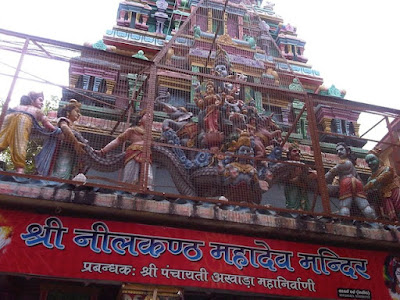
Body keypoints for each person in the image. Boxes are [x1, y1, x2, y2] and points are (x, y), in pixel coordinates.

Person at [0, 92, 57, 173]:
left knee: (1, 139)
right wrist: (56, 130)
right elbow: (47, 124)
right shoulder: (37, 110)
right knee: (19, 143)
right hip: (23, 120)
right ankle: (19, 169)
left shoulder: (16, 107)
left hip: (8, 117)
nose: (42, 103)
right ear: (32, 100)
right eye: (40, 100)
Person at [98, 111, 153, 192]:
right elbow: (118, 140)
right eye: (147, 116)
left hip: (146, 155)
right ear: (140, 119)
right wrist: (103, 150)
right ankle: (127, 188)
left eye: (151, 118)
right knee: (130, 173)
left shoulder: (149, 135)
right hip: (133, 153)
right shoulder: (132, 130)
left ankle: (146, 188)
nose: (150, 118)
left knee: (147, 174)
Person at [35, 99, 86, 180]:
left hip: (70, 153)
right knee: (60, 171)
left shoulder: (74, 127)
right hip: (62, 150)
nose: (79, 114)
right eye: (76, 111)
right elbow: (64, 128)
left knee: (67, 170)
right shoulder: (64, 120)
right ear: (68, 113)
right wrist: (76, 144)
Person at [325, 142, 377, 219]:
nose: (339, 152)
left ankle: (345, 220)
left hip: (346, 183)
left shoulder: (343, 163)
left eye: (341, 149)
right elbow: (358, 177)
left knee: (345, 205)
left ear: (347, 151)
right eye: (337, 151)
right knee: (364, 205)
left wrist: (322, 179)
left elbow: (330, 174)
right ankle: (373, 219)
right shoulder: (352, 164)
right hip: (357, 183)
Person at [364, 150, 400, 222]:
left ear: (378, 159)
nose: (370, 163)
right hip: (383, 197)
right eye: (367, 162)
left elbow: (384, 176)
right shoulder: (370, 178)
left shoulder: (387, 169)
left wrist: (372, 183)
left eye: (372, 160)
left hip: (394, 192)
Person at [282, 144, 317, 211]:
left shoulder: (303, 166)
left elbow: (312, 174)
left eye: (298, 151)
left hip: (302, 191)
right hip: (292, 190)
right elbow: (285, 179)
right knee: (293, 209)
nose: (297, 153)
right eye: (294, 151)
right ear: (289, 155)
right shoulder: (285, 165)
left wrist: (312, 174)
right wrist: (297, 177)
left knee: (305, 210)